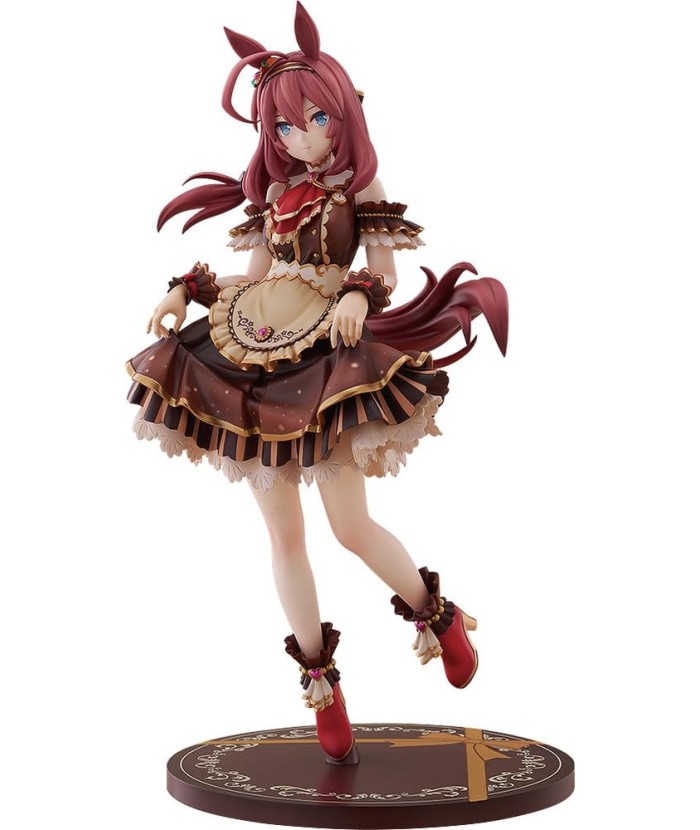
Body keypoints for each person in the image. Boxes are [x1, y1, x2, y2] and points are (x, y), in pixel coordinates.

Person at [126, 3, 508, 766]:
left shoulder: (361, 190)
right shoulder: (274, 198)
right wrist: (186, 289)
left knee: (349, 527)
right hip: (255, 351)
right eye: (282, 127)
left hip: (326, 358)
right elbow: (252, 276)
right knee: (283, 536)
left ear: (343, 115)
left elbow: (385, 270)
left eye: (313, 120)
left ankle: (438, 617)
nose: (299, 137)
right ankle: (320, 682)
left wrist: (361, 293)